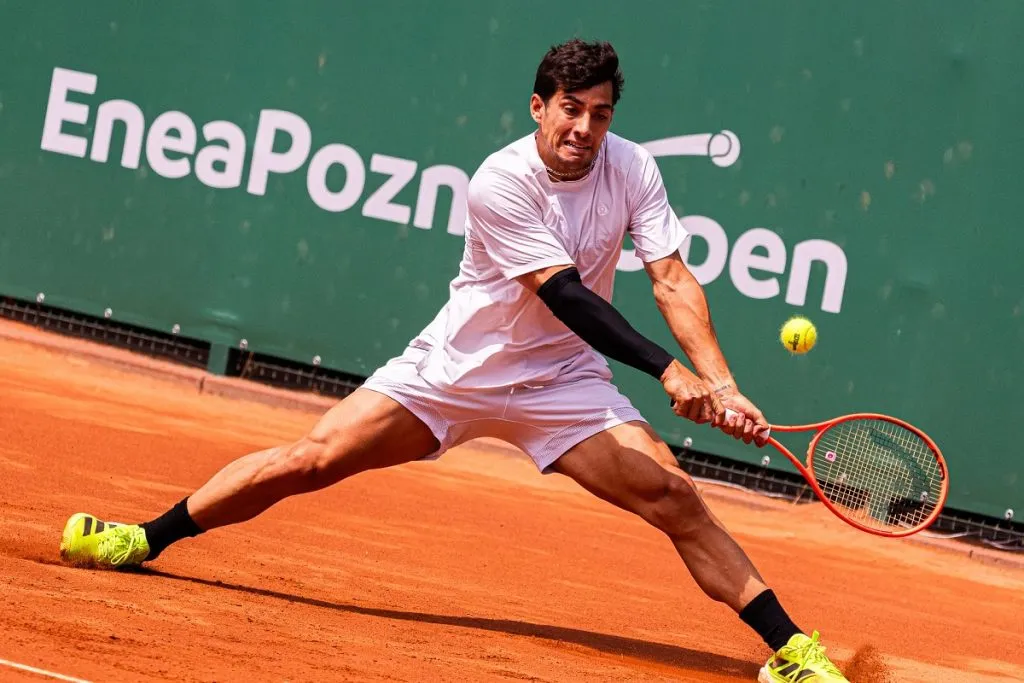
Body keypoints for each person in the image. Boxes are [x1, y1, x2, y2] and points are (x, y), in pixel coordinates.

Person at [59, 39, 849, 682]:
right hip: (455, 371)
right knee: (310, 459)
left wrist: (721, 379)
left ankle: (791, 650)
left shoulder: (633, 168)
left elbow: (671, 277)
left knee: (673, 496)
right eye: (569, 109)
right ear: (539, 107)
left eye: (599, 114)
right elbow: (567, 295)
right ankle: (142, 537)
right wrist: (667, 372)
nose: (583, 127)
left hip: (564, 384)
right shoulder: (500, 181)